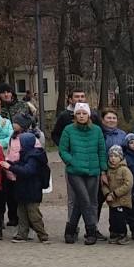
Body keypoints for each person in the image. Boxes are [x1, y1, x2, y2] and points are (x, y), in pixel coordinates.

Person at [58, 102, 107, 245]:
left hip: (93, 170)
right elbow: (63, 150)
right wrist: (71, 161)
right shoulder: (68, 130)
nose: (81, 116)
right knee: (84, 199)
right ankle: (91, 231)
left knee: (87, 201)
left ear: (88, 115)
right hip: (75, 171)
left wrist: (103, 169)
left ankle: (70, 231)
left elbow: (101, 150)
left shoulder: (97, 130)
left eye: (84, 113)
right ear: (75, 115)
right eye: (78, 113)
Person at [51, 87, 100, 231]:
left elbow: (100, 139)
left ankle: (93, 228)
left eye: (82, 96)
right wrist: (67, 154)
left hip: (91, 164)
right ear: (70, 99)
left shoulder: (94, 117)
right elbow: (56, 135)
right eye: (77, 96)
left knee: (91, 198)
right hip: (73, 163)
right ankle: (73, 226)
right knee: (74, 198)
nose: (80, 99)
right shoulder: (64, 117)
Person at [8, 131, 49, 242]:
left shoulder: (34, 157)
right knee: (21, 215)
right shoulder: (25, 154)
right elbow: (21, 166)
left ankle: (42, 235)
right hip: (22, 191)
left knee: (34, 215)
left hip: (32, 191)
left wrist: (10, 167)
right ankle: (22, 234)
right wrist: (10, 164)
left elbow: (27, 171)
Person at [103, 144, 134, 244]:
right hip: (112, 201)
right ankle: (114, 233)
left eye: (115, 156)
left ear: (120, 157)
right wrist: (107, 193)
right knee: (113, 219)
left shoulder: (124, 169)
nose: (113, 159)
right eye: (111, 156)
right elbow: (104, 184)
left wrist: (115, 194)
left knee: (120, 219)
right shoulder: (108, 170)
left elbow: (128, 184)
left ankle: (122, 234)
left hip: (122, 200)